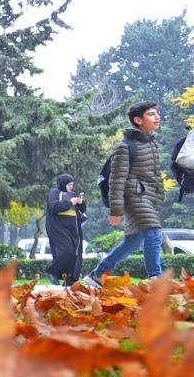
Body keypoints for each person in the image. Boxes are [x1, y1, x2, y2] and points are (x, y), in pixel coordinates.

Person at [86, 101, 167, 284]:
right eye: (152, 114)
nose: (157, 117)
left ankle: (97, 274)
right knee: (154, 232)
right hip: (135, 196)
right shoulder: (125, 146)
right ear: (138, 120)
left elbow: (155, 177)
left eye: (157, 113)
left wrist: (159, 198)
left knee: (133, 240)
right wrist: (116, 210)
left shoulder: (152, 145)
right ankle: (157, 278)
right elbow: (116, 179)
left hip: (149, 198)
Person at [45, 173, 86, 287]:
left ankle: (70, 279)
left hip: (73, 227)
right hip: (58, 227)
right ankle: (52, 271)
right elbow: (54, 207)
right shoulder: (54, 192)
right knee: (66, 250)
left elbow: (82, 209)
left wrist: (80, 203)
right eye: (68, 184)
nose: (70, 187)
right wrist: (69, 203)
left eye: (72, 185)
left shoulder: (73, 194)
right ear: (62, 183)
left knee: (75, 252)